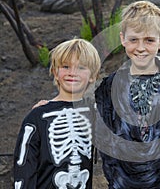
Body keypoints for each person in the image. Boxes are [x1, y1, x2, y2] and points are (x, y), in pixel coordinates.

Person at [93, 0, 160, 188]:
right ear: (122, 39)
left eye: (149, 40)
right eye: (134, 39)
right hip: (121, 181)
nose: (141, 47)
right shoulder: (109, 87)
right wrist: (52, 104)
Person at [13, 38, 101, 189]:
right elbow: (24, 169)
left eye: (81, 68)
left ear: (93, 75)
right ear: (55, 71)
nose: (72, 73)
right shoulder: (37, 117)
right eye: (66, 67)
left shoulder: (96, 113)